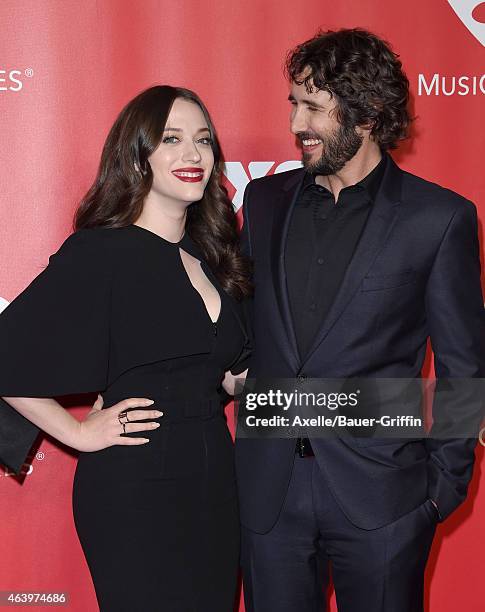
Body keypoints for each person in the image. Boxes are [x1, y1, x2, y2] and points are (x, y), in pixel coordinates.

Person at [235, 29, 485, 611]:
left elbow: (463, 366)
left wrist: (441, 490)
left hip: (384, 499)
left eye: (314, 108)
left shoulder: (438, 218)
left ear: (367, 116)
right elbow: (242, 330)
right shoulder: (265, 204)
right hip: (269, 495)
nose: (297, 123)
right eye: (294, 103)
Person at [0, 85, 251, 611]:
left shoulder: (214, 256)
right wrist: (76, 431)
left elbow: (230, 375)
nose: (192, 155)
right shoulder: (101, 252)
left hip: (215, 484)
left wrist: (358, 404)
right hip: (134, 487)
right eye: (172, 139)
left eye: (203, 141)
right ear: (138, 156)